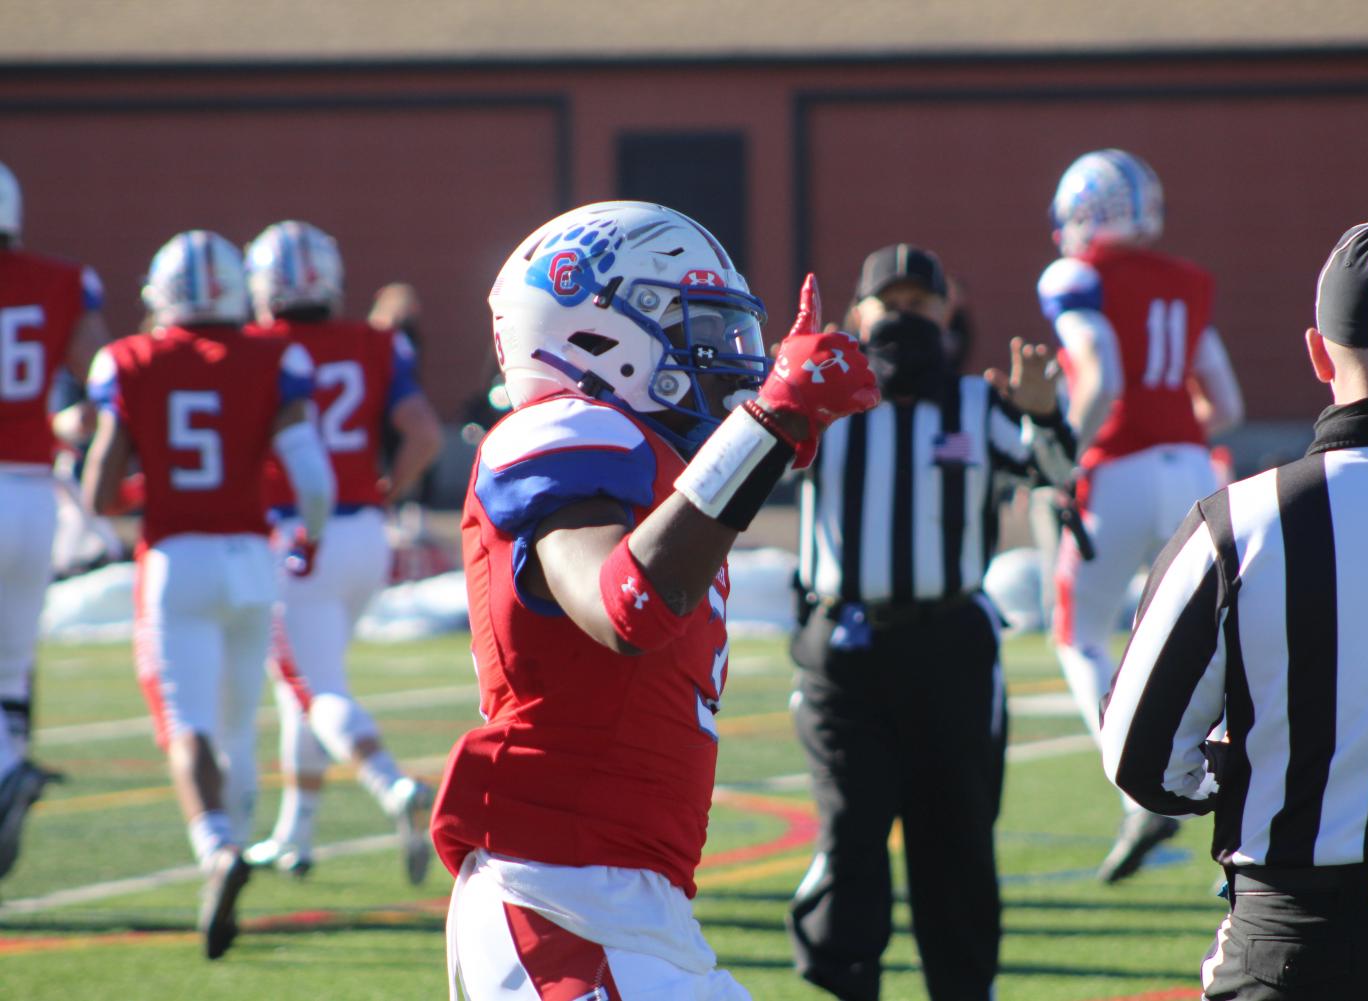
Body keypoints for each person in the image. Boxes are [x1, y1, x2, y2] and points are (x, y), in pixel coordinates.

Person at [428, 200, 876, 999]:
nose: (730, 359)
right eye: (699, 329)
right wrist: (770, 422)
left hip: (630, 899)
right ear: (597, 333)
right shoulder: (562, 429)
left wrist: (770, 436)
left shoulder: (647, 462)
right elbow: (626, 604)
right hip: (559, 893)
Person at [1102, 218, 1368, 1000]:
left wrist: (1251, 778)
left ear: (1316, 353)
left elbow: (1136, 757)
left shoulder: (1234, 523)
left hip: (1291, 942)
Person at [787, 243, 1076, 1001]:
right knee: (850, 841)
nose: (905, 319)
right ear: (858, 315)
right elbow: (754, 467)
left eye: (921, 304)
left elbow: (1057, 475)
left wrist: (1043, 412)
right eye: (892, 304)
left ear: (946, 313)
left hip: (948, 646)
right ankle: (842, 981)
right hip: (843, 648)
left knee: (955, 848)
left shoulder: (979, 404)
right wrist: (779, 386)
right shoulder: (820, 403)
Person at [81, 229, 333, 959]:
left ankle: (217, 846)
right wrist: (306, 538)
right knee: (238, 719)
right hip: (251, 555)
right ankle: (244, 840)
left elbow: (101, 490)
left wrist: (144, 484)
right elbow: (309, 476)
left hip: (174, 556)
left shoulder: (130, 359)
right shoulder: (272, 356)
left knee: (185, 719)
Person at [1037, 148, 1244, 882]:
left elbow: (1099, 373)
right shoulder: (1185, 283)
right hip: (1190, 470)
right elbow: (1224, 405)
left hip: (1116, 465)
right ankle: (1240, 802)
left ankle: (1135, 782)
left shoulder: (1076, 274)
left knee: (1078, 629)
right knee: (1221, 641)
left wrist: (1065, 453)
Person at [240, 221, 445, 883]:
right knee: (305, 682)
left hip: (295, 536)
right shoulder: (375, 342)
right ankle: (294, 834)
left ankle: (392, 785)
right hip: (364, 534)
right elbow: (423, 434)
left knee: (312, 683)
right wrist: (388, 488)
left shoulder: (253, 349)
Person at [0, 159, 110, 880]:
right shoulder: (64, 281)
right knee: (12, 665)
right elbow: (103, 378)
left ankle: (9, 770)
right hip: (34, 490)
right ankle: (9, 766)